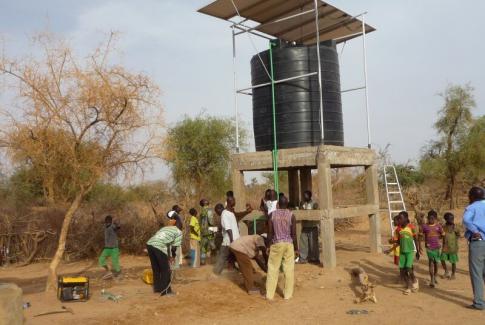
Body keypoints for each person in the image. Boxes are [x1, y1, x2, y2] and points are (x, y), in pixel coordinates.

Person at [266, 195, 298, 300]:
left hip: (277, 244)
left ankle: (269, 295)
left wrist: (268, 245)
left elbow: (270, 233)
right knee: (289, 270)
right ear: (287, 205)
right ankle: (287, 295)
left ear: (278, 204)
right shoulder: (291, 215)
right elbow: (294, 234)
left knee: (273, 269)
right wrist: (296, 248)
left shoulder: (272, 215)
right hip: (288, 244)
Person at [213, 196, 252, 274]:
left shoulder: (228, 213)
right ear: (229, 202)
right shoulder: (225, 214)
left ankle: (215, 274)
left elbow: (229, 229)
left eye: (234, 200)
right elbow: (228, 229)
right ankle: (216, 274)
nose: (235, 202)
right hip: (230, 241)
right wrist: (232, 241)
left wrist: (232, 241)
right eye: (233, 200)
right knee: (230, 257)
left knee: (224, 257)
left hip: (230, 241)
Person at [146, 219, 182, 296]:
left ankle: (157, 289)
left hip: (150, 244)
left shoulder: (164, 228)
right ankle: (166, 291)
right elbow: (174, 247)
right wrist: (173, 257)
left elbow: (166, 244)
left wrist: (169, 256)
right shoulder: (178, 232)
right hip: (158, 246)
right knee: (165, 270)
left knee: (156, 269)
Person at [463, 186, 485, 310]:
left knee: (477, 272)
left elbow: (466, 220)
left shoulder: (472, 207)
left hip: (478, 242)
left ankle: (479, 303)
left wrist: (475, 230)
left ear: (472, 197)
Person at [395, 211, 420, 295]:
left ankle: (414, 280)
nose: (399, 220)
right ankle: (408, 287)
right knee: (403, 270)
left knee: (409, 268)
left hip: (410, 251)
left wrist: (418, 251)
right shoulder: (398, 229)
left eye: (400, 218)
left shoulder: (411, 227)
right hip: (402, 252)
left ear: (406, 218)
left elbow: (416, 239)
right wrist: (391, 249)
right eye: (398, 218)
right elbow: (398, 241)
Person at [420, 210, 444, 288]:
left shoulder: (438, 226)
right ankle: (432, 280)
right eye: (429, 218)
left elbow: (442, 234)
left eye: (433, 218)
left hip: (437, 247)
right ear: (427, 218)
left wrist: (440, 240)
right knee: (431, 262)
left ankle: (435, 276)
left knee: (436, 263)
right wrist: (420, 245)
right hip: (429, 247)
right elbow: (420, 235)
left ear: (436, 218)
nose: (431, 220)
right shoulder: (425, 226)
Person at [298, 190, 319, 264]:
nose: (304, 197)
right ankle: (303, 258)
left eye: (306, 195)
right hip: (305, 226)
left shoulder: (314, 204)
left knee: (313, 244)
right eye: (304, 195)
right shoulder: (302, 203)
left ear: (310, 196)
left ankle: (315, 258)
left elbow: (316, 211)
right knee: (303, 243)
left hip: (312, 226)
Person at [441, 212, 460, 279]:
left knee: (453, 262)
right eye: (450, 219)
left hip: (453, 248)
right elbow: (440, 236)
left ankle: (453, 274)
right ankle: (446, 271)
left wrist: (454, 241)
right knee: (442, 259)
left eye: (452, 218)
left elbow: (458, 235)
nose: (452, 220)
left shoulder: (455, 228)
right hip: (445, 247)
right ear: (446, 219)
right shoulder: (443, 227)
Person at [199, 199, 216, 265]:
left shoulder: (201, 211)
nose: (207, 201)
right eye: (206, 201)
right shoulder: (209, 210)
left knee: (203, 247)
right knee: (213, 245)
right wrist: (214, 230)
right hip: (209, 231)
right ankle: (215, 260)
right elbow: (211, 221)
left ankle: (202, 261)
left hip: (203, 232)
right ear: (205, 203)